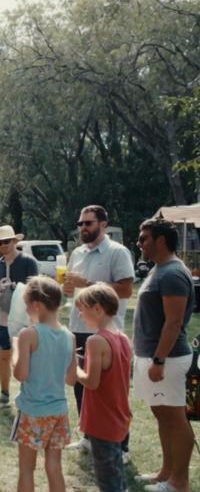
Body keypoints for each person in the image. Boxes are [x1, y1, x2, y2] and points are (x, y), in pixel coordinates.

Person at [62, 205, 135, 460]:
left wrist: (88, 284)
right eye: (80, 223)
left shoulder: (118, 252)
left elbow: (125, 290)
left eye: (88, 223)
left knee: (112, 392)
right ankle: (88, 437)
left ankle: (121, 446)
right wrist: (69, 289)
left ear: (103, 225)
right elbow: (72, 289)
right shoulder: (77, 252)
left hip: (106, 333)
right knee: (82, 388)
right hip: (79, 326)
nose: (83, 228)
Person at [132, 218, 197, 492]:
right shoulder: (159, 269)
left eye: (143, 238)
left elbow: (174, 322)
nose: (139, 243)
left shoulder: (172, 273)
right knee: (163, 417)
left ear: (160, 241)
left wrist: (158, 359)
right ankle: (166, 474)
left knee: (175, 418)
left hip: (167, 359)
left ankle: (179, 483)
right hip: (154, 357)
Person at [12, 276, 77, 492]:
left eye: (26, 304)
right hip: (59, 411)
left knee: (26, 468)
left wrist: (16, 351)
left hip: (33, 411)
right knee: (55, 467)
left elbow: (20, 375)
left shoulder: (28, 334)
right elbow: (71, 379)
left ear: (36, 305)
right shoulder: (70, 336)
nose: (25, 309)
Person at [73, 284, 132, 492]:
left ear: (97, 308)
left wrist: (73, 366)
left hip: (102, 419)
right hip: (118, 416)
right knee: (116, 472)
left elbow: (92, 382)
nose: (80, 316)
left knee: (107, 479)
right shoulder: (123, 338)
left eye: (82, 310)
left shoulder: (96, 341)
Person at [0, 225, 40, 409]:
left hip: (25, 319)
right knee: (3, 356)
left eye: (6, 241)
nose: (3, 245)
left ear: (15, 240)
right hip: (2, 319)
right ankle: (4, 397)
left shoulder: (28, 261)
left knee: (27, 358)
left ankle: (29, 395)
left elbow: (36, 291)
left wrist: (35, 319)